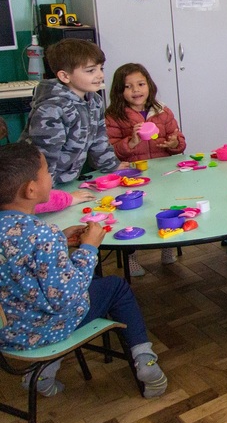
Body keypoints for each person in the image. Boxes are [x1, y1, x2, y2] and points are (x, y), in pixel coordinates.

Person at [0, 142, 168, 398]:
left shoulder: (33, 233)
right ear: (31, 189)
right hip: (41, 332)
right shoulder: (42, 235)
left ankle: (45, 374)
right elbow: (67, 297)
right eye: (46, 171)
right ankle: (145, 360)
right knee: (116, 287)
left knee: (94, 283)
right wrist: (88, 249)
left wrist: (59, 239)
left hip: (7, 332)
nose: (51, 176)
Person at [104, 62, 186, 275]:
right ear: (119, 91)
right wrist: (130, 142)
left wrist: (173, 144)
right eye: (128, 86)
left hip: (163, 173)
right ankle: (131, 257)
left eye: (140, 84)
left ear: (149, 85)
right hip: (133, 176)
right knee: (132, 216)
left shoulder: (162, 111)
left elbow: (180, 142)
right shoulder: (115, 116)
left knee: (166, 210)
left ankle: (167, 249)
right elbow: (110, 152)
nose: (136, 90)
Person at [20, 39, 121, 184]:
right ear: (65, 76)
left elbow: (99, 139)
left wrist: (112, 165)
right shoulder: (52, 109)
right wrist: (56, 196)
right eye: (91, 70)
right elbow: (43, 159)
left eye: (101, 68)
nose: (100, 75)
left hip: (66, 182)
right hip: (39, 186)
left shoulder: (95, 101)